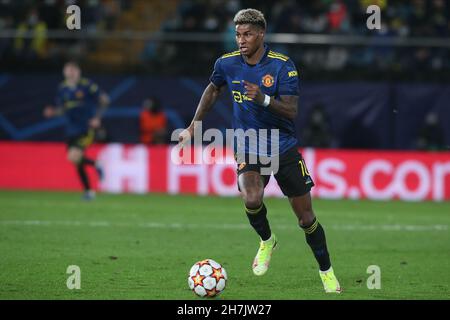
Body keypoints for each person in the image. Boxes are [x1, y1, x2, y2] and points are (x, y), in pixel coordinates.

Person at [178, 9, 341, 293]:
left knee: (306, 218)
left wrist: (264, 99)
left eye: (247, 34)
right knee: (251, 197)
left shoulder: (282, 66)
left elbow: (291, 110)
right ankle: (267, 240)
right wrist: (193, 126)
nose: (241, 40)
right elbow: (213, 90)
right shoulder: (226, 63)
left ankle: (326, 271)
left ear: (261, 34)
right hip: (248, 145)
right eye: (238, 34)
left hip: (283, 147)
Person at [44, 61, 109, 200]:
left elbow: (104, 100)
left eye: (74, 70)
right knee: (76, 161)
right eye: (69, 70)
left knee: (74, 156)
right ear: (64, 72)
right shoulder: (62, 89)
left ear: (79, 72)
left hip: (86, 127)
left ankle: (97, 165)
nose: (72, 73)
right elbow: (62, 109)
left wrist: (97, 118)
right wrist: (53, 112)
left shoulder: (87, 85)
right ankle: (89, 192)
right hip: (71, 129)